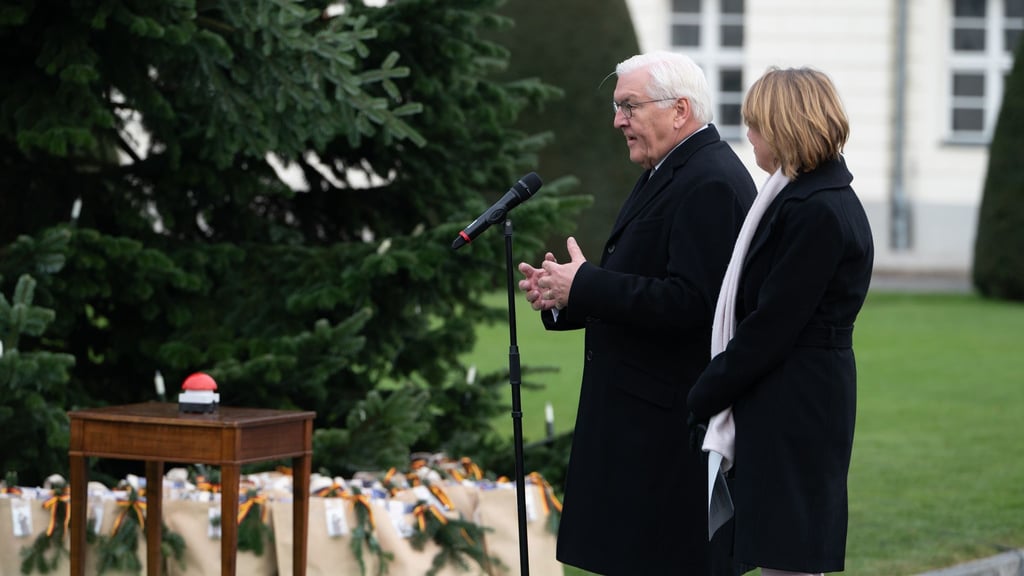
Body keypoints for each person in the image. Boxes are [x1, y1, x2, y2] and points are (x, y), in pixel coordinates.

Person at [518, 51, 756, 575]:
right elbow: (644, 282)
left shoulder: (709, 179)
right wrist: (567, 294)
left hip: (668, 430)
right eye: (616, 106)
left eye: (629, 106)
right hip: (641, 422)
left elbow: (691, 304)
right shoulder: (671, 168)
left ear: (679, 110)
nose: (617, 120)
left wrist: (588, 285)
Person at [686, 67, 874, 576]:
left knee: (789, 555)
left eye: (755, 124)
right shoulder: (809, 197)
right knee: (781, 549)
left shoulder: (816, 208)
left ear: (785, 126)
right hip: (793, 394)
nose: (748, 136)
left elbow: (773, 324)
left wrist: (708, 390)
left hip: (798, 401)